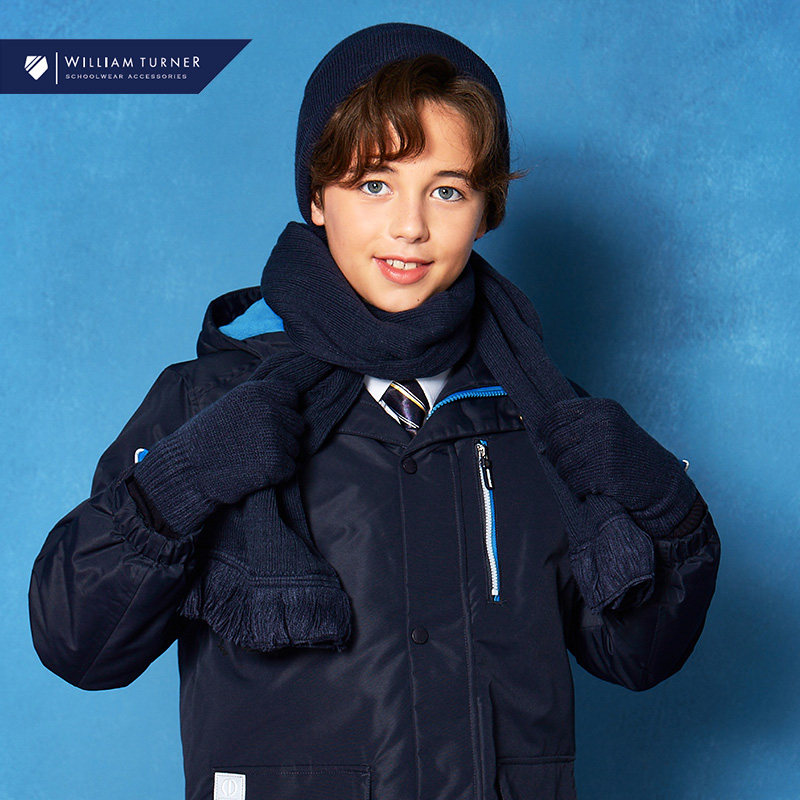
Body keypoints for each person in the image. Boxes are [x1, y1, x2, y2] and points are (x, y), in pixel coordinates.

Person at [28, 22, 721, 800]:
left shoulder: (543, 413)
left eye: (447, 190)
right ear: (318, 198)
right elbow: (78, 643)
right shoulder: (210, 402)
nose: (410, 227)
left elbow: (637, 654)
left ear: (486, 209)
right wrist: (180, 482)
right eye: (374, 184)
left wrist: (667, 508)